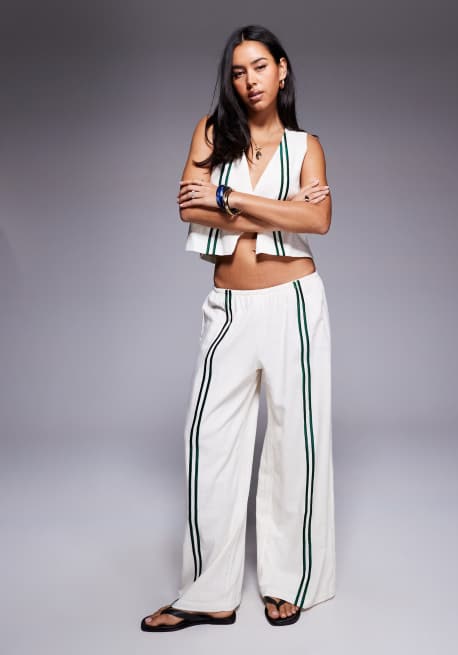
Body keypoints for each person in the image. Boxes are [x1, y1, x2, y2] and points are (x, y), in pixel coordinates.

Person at [141, 24, 336, 632]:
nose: (248, 81)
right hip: (227, 305)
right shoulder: (211, 132)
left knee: (293, 442)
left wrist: (226, 195)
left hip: (293, 304)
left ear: (282, 69)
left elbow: (319, 221)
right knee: (208, 440)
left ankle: (289, 581)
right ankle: (209, 593)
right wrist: (279, 207)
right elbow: (188, 205)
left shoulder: (306, 146)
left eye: (259, 67)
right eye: (237, 71)